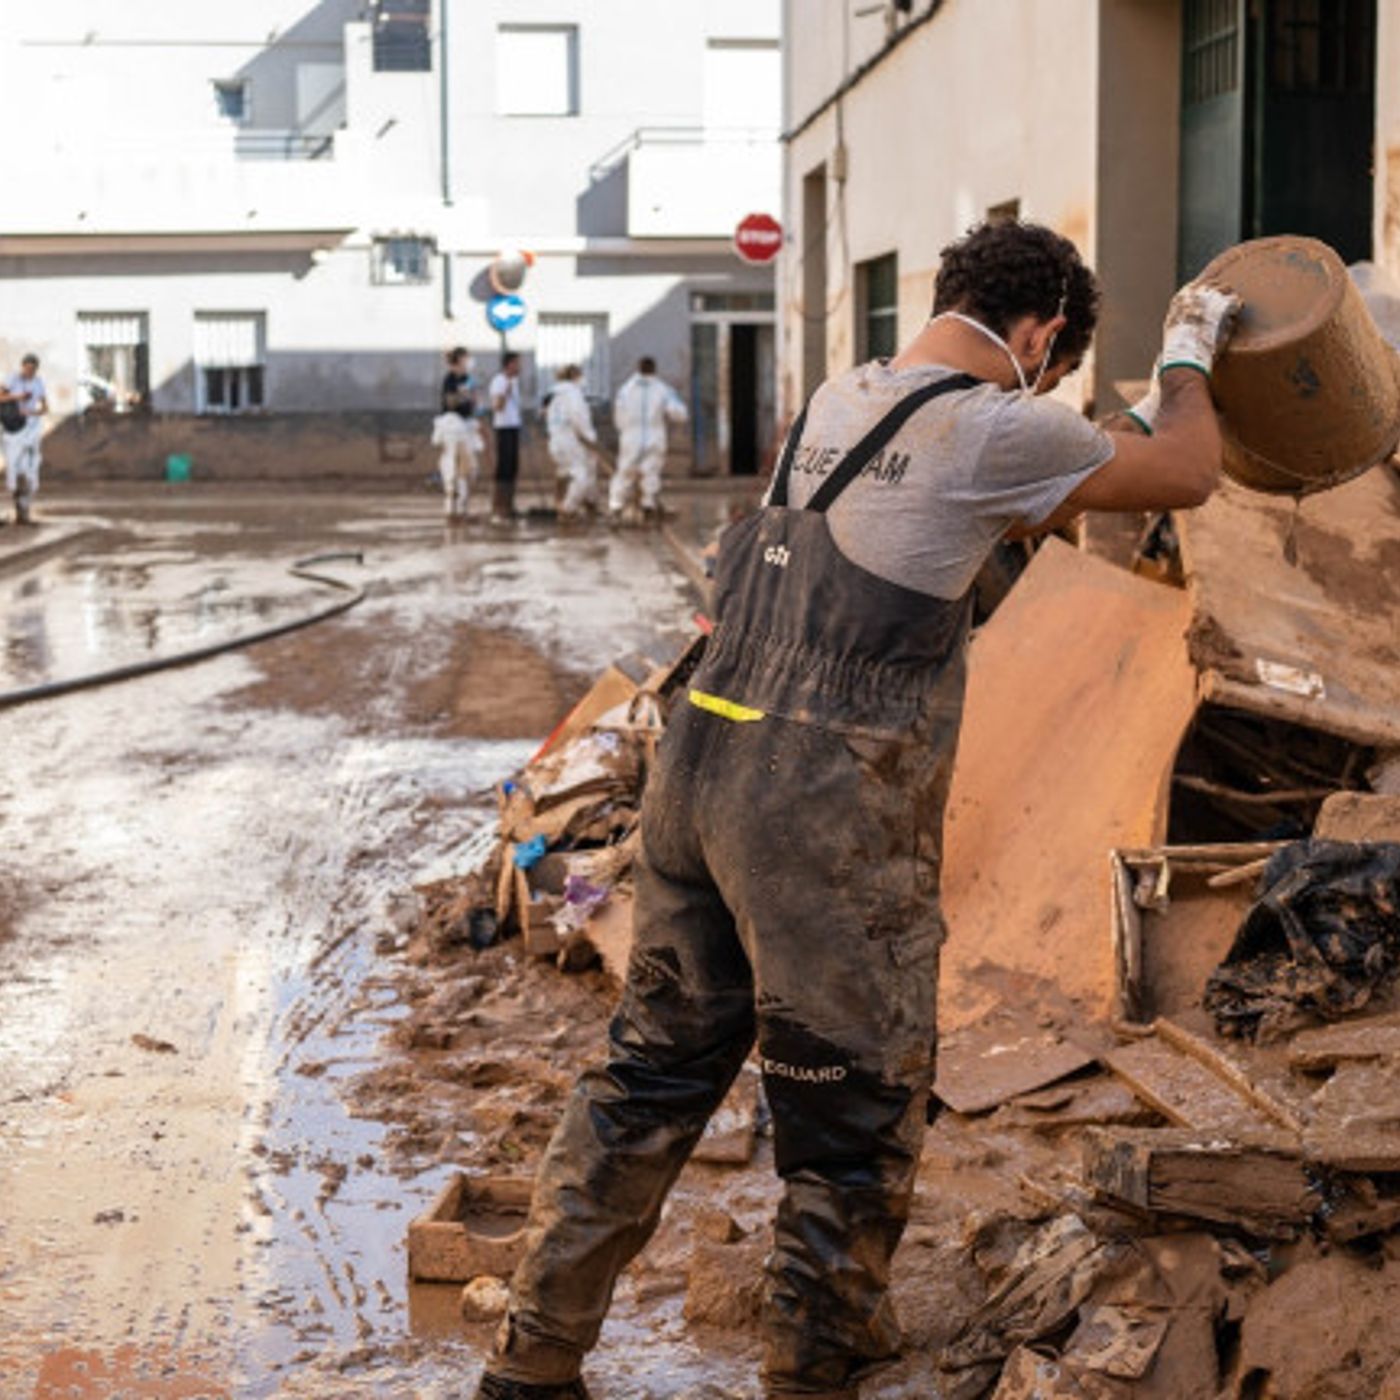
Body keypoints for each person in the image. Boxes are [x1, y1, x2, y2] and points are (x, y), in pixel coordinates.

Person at [475, 220, 1239, 1400]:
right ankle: (816, 1356)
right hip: (816, 810)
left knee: (649, 1075)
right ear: (1038, 340)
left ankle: (533, 1353)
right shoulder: (994, 424)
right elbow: (1184, 470)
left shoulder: (845, 396)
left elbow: (1016, 491)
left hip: (699, 761)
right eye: (1051, 362)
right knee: (850, 1100)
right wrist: (1185, 357)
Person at [609, 355, 687, 525]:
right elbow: (679, 413)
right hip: (654, 435)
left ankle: (616, 505)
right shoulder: (662, 389)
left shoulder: (626, 389)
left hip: (631, 435)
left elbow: (618, 415)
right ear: (654, 369)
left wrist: (624, 430)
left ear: (638, 368)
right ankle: (647, 504)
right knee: (651, 471)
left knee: (625, 471)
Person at [432, 347, 483, 521]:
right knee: (453, 466)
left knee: (468, 468)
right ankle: (452, 509)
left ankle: (461, 508)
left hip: (466, 425)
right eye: (466, 358)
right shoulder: (450, 379)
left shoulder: (468, 379)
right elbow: (451, 402)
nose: (469, 361)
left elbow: (473, 403)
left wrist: (473, 400)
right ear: (460, 360)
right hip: (452, 426)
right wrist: (466, 396)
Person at [545, 366, 599, 521]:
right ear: (575, 376)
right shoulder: (573, 395)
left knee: (564, 472)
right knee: (581, 475)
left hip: (556, 440)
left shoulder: (555, 395)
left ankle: (579, 503)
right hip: (571, 440)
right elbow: (578, 418)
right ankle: (568, 508)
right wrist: (590, 438)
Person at [1, 354, 48, 526]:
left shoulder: (38, 382)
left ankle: (24, 512)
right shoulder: (12, 380)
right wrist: (18, 397)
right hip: (13, 427)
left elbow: (45, 406)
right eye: (27, 367)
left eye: (33, 368)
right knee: (13, 468)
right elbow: (1, 397)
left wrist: (33, 412)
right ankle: (17, 508)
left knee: (30, 469)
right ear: (22, 366)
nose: (29, 371)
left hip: (31, 427)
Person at [489, 351, 524, 524]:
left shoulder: (514, 381)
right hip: (503, 428)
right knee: (504, 467)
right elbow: (497, 406)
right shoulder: (499, 381)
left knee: (513, 466)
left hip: (514, 427)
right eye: (517, 363)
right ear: (509, 364)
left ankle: (509, 505)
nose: (520, 367)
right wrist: (506, 392)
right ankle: (499, 506)